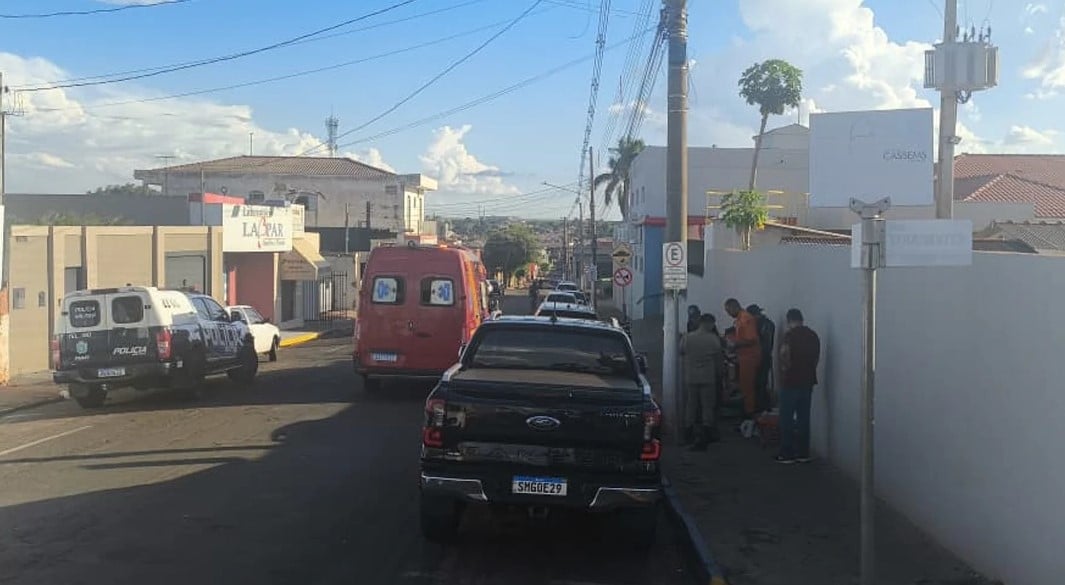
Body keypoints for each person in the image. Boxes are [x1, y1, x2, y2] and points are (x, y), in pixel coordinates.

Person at [777, 308, 821, 464]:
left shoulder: (789, 337)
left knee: (787, 418)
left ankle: (786, 453)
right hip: (807, 381)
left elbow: (784, 358)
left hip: (790, 382)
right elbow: (816, 359)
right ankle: (803, 453)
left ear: (789, 321)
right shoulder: (813, 336)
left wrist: (785, 374)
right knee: (804, 418)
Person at [680, 313, 724, 450]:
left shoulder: (688, 337)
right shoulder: (713, 339)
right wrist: (720, 374)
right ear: (709, 324)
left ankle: (688, 432)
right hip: (708, 377)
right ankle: (706, 432)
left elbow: (681, 351)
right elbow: (719, 360)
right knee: (707, 406)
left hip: (691, 377)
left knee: (691, 405)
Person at [724, 298, 761, 422]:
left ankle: (749, 416)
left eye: (728, 310)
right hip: (743, 357)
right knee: (744, 387)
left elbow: (752, 340)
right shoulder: (740, 319)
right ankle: (746, 414)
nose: (728, 314)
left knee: (747, 388)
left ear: (734, 307)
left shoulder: (745, 318)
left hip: (749, 358)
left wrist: (735, 345)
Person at [747, 304, 776, 413]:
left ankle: (760, 409)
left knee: (759, 385)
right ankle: (761, 408)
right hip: (763, 358)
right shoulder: (767, 323)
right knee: (760, 385)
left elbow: (764, 345)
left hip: (761, 358)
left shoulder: (763, 325)